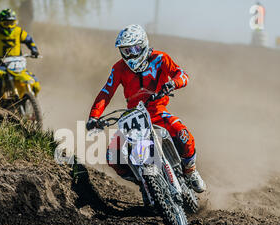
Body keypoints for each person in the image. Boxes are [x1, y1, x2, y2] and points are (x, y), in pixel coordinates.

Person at [86, 24, 206, 193]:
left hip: (157, 110)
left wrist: (173, 83)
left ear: (143, 45)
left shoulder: (160, 58)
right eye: (125, 51)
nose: (130, 55)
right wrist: (94, 117)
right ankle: (144, 181)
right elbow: (106, 92)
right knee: (112, 156)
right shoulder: (119, 68)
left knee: (184, 135)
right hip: (133, 116)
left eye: (134, 49)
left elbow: (182, 75)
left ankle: (190, 171)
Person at [0, 9, 41, 99]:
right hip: (1, 65)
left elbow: (30, 41)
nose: (9, 26)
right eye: (6, 23)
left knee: (34, 80)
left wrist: (34, 51)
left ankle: (33, 107)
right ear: (1, 22)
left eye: (11, 22)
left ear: (15, 22)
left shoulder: (19, 32)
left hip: (18, 64)